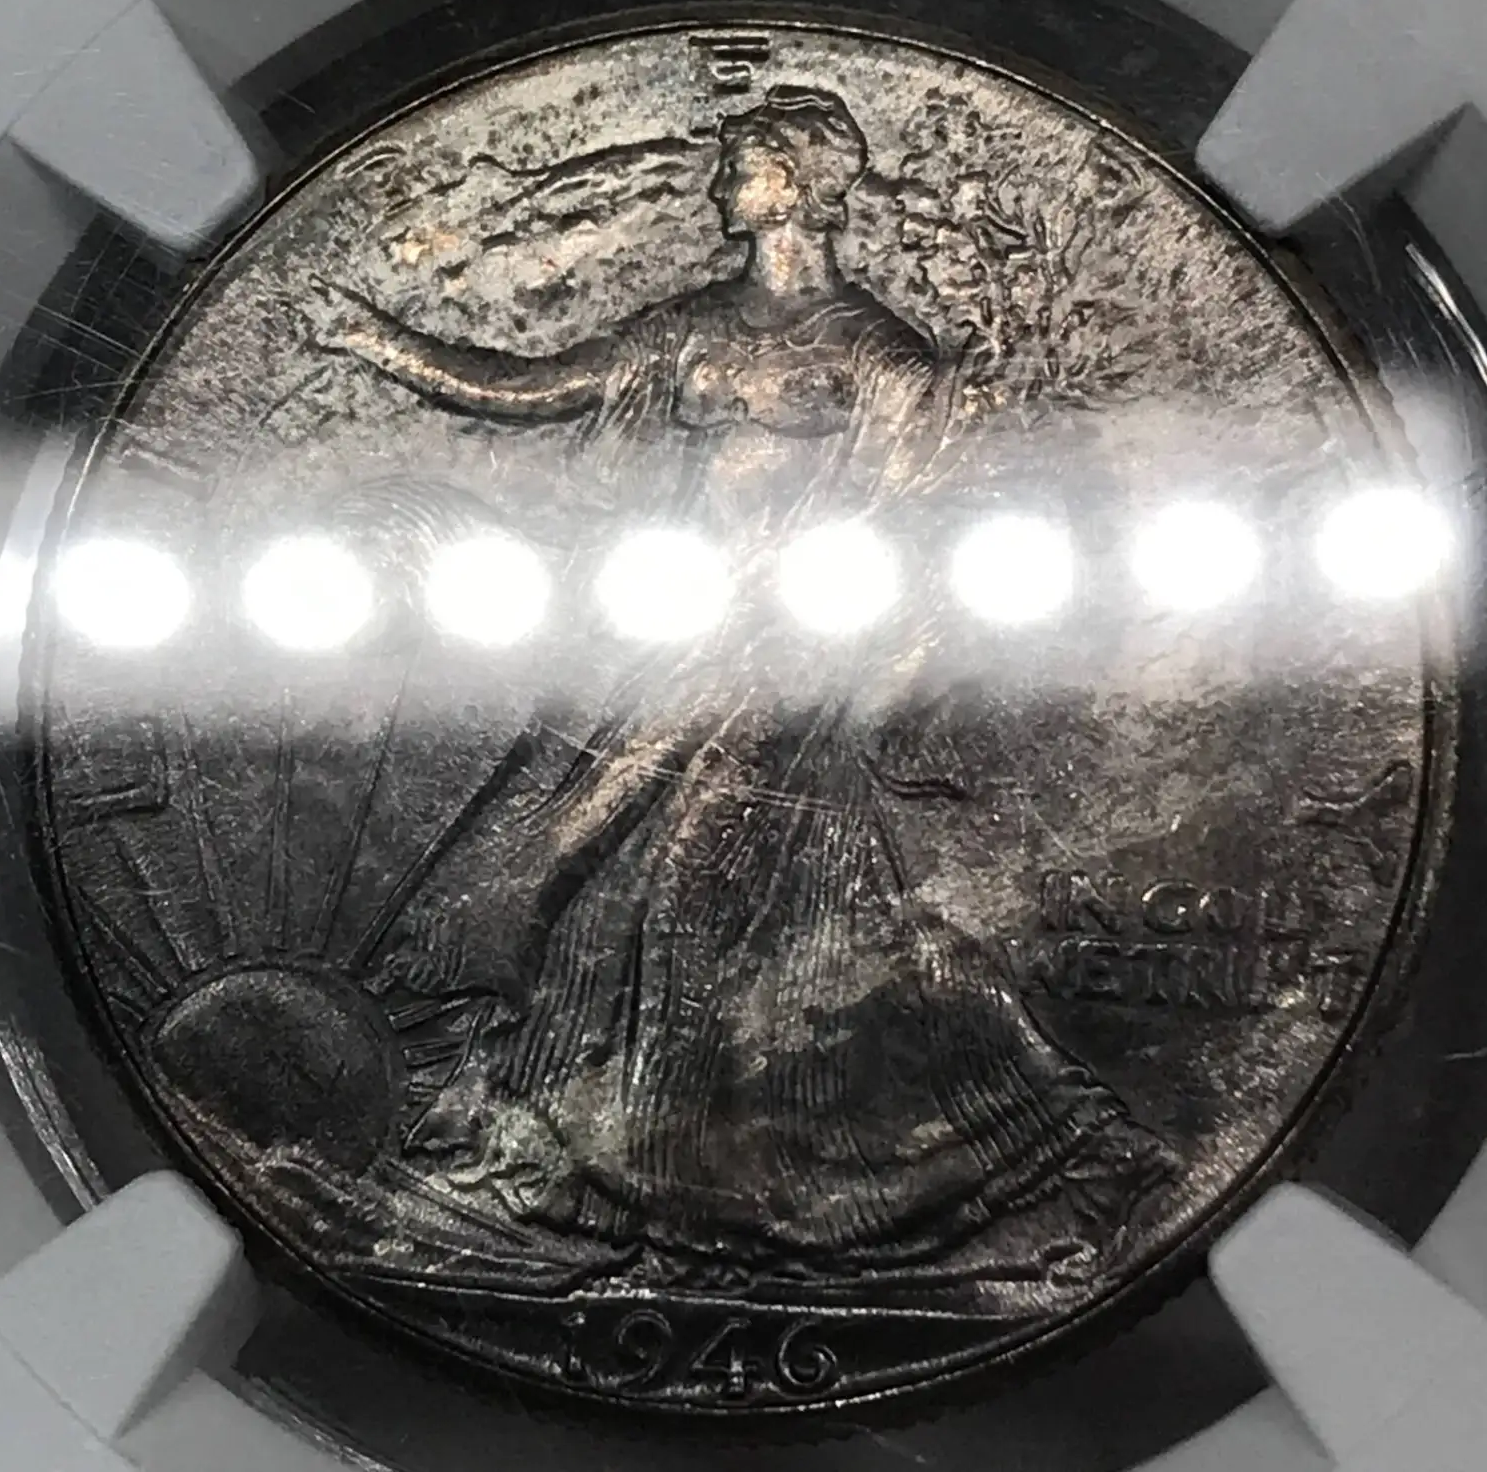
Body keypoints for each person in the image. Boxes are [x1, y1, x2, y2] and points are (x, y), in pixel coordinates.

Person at [309, 86, 1173, 1287]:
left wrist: (870, 686)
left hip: (790, 663)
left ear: (804, 188)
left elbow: (909, 540)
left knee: (682, 900)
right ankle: (602, 1169)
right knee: (602, 888)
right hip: (681, 642)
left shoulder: (879, 355)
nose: (723, 183)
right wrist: (376, 341)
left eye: (745, 164)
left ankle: (661, 1185)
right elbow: (533, 385)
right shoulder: (696, 324)